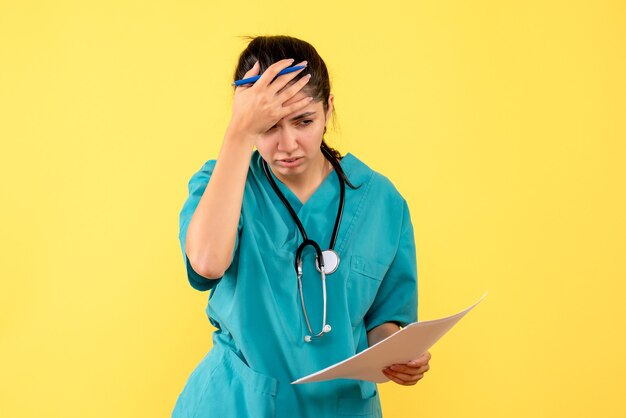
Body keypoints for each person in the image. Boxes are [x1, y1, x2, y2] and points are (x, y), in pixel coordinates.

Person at [173, 35, 431, 418]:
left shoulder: (382, 201)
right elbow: (207, 263)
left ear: (328, 109)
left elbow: (385, 321)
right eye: (268, 127)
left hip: (341, 408)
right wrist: (239, 134)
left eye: (304, 121)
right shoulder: (223, 184)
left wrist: (398, 355)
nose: (287, 144)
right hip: (237, 405)